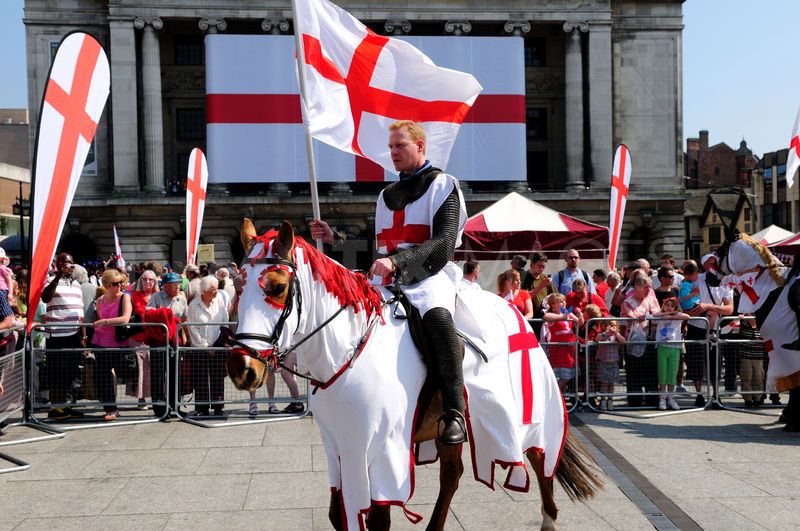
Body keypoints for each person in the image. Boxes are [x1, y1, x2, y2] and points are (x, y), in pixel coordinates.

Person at [310, 120, 468, 444]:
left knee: (437, 318)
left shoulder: (443, 185)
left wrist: (397, 262)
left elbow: (443, 244)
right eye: (391, 146)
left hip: (429, 275)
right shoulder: (386, 196)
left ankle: (454, 411)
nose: (393, 152)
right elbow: (375, 247)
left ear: (420, 147)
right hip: (390, 280)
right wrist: (334, 238)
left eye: (400, 145)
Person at [41, 253, 87, 420]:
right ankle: (56, 409)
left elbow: (80, 311)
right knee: (57, 373)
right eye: (66, 263)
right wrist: (58, 275)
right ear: (58, 264)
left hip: (74, 333)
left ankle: (68, 406)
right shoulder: (50, 280)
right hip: (57, 334)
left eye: (71, 263)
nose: (69, 266)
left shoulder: (76, 284)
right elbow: (45, 298)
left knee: (72, 372)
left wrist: (84, 335)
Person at [685, 255, 734, 408]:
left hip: (714, 328)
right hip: (696, 327)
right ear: (704, 264)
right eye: (710, 261)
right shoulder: (696, 279)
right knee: (696, 362)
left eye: (716, 261)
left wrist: (709, 307)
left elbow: (729, 309)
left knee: (715, 363)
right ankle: (699, 395)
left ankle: (715, 396)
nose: (714, 263)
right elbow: (685, 300)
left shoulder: (725, 283)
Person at [90, 269, 133, 421]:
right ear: (107, 285)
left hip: (118, 343)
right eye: (115, 284)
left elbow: (125, 318)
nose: (119, 286)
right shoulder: (100, 300)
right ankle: (111, 409)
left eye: (121, 283)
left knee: (124, 372)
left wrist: (105, 322)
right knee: (103, 376)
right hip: (100, 341)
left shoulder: (125, 297)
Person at [147, 271, 188, 417]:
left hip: (175, 341)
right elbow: (148, 313)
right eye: (175, 285)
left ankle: (175, 406)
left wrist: (184, 337)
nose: (178, 287)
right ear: (166, 286)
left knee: (175, 374)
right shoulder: (156, 297)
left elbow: (184, 319)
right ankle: (159, 408)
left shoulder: (181, 299)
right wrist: (163, 313)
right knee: (158, 375)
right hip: (159, 341)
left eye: (179, 284)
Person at [186, 276, 229, 416]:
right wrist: (206, 346)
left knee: (217, 377)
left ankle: (218, 407)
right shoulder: (193, 305)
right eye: (213, 290)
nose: (216, 293)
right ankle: (201, 408)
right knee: (201, 378)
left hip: (217, 346)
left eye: (216, 289)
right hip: (200, 349)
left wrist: (216, 344)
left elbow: (225, 322)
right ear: (204, 292)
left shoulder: (219, 301)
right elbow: (192, 328)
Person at [620, 274, 660, 407]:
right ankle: (635, 398)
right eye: (646, 287)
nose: (649, 289)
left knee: (651, 371)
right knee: (634, 371)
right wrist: (639, 318)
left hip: (650, 340)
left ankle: (652, 398)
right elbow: (628, 317)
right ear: (637, 286)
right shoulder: (628, 302)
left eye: (650, 287)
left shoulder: (652, 300)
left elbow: (658, 314)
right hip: (633, 341)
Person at [650, 296, 689, 410]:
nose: (669, 307)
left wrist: (673, 314)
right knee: (663, 374)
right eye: (667, 305)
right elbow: (653, 316)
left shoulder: (677, 317)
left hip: (675, 348)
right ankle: (662, 399)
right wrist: (664, 315)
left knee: (672, 375)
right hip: (662, 347)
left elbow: (687, 316)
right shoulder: (660, 315)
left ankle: (671, 398)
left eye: (672, 305)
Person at [127, 269, 158, 410]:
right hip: (138, 337)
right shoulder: (133, 296)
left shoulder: (158, 296)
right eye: (144, 279)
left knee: (154, 368)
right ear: (140, 281)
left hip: (155, 336)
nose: (147, 282)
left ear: (155, 281)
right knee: (140, 368)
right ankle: (141, 398)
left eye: (151, 279)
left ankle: (156, 397)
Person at [542, 293, 581, 392]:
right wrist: (562, 317)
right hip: (559, 349)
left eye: (564, 301)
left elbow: (580, 323)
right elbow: (546, 316)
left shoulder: (568, 313)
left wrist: (580, 314)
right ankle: (555, 393)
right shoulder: (553, 315)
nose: (563, 303)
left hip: (570, 349)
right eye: (560, 302)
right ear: (552, 305)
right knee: (564, 376)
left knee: (570, 374)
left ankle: (560, 395)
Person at [595, 319, 625, 411]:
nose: (612, 327)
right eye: (609, 325)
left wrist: (616, 333)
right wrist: (606, 333)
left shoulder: (616, 336)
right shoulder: (604, 335)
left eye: (614, 325)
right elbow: (597, 339)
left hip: (613, 362)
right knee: (604, 383)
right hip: (603, 362)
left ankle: (610, 400)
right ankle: (603, 400)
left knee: (611, 383)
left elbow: (623, 341)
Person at [739, 316, 766, 408]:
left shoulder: (762, 324)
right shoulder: (744, 323)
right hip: (745, 356)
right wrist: (740, 319)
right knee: (746, 377)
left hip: (759, 357)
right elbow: (732, 327)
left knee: (758, 378)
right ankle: (748, 399)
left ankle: (757, 398)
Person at [523, 252, 557, 318]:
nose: (541, 269)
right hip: (530, 319)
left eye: (543, 266)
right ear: (532, 263)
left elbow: (556, 296)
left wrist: (564, 313)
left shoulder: (544, 277)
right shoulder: (523, 277)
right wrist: (541, 286)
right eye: (539, 266)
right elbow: (525, 297)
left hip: (544, 319)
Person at [0, 248, 16, 329]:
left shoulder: (2, 268)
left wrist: (10, 293)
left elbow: (9, 280)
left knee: (7, 313)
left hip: (2, 291)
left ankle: (11, 318)